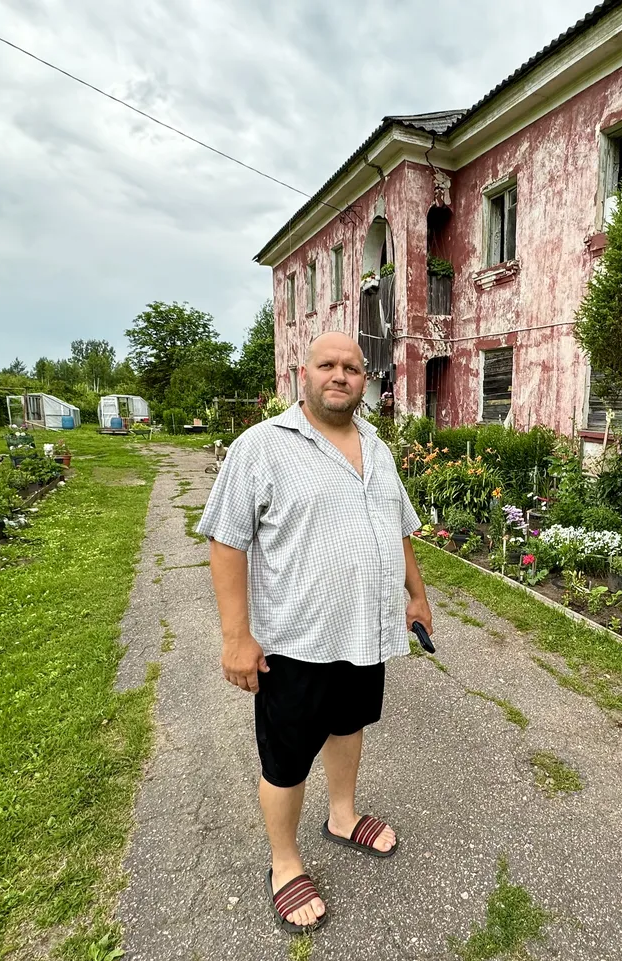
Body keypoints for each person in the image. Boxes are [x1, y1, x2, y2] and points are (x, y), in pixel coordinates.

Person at [197, 331, 434, 934]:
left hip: (366, 633)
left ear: (364, 380)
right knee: (286, 757)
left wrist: (418, 596)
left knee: (349, 725)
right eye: (327, 365)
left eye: (352, 368)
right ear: (301, 375)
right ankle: (283, 862)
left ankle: (342, 816)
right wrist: (235, 638)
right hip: (296, 641)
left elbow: (397, 525)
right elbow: (226, 541)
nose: (341, 376)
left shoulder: (377, 447)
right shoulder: (262, 448)